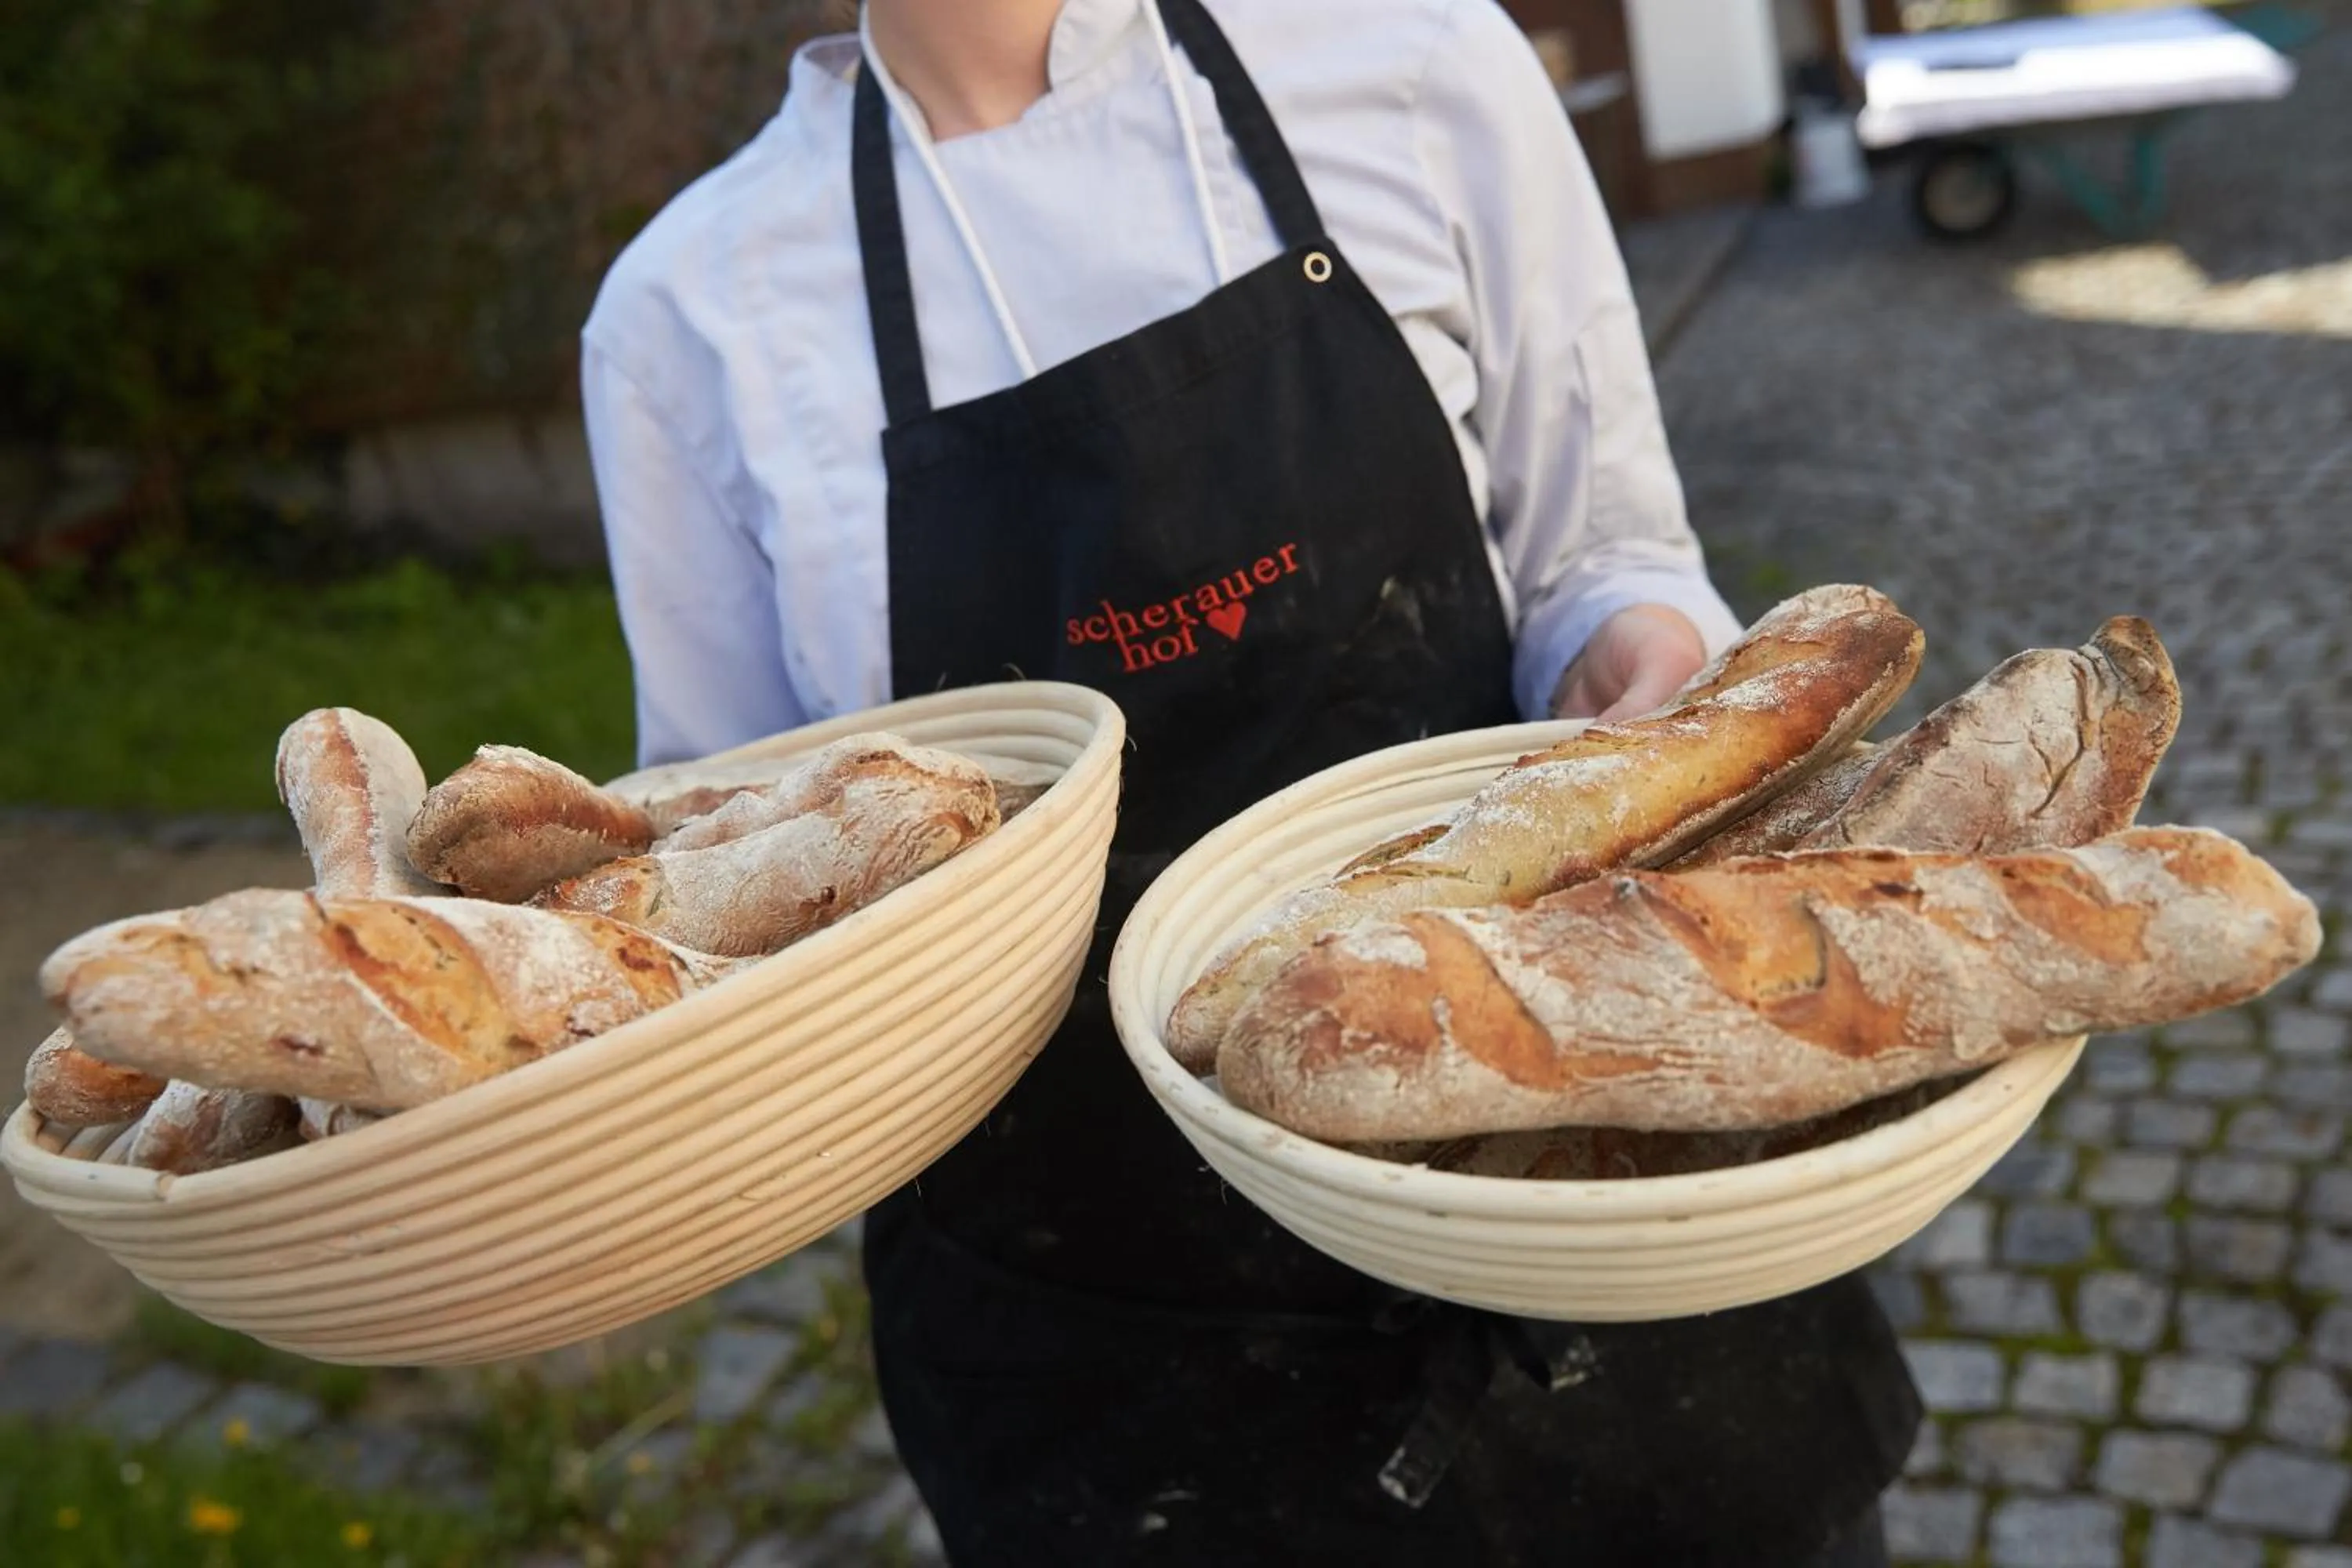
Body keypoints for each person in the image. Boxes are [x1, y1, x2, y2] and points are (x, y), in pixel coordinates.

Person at [580, 2, 1922, 1563]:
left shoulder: (1414, 67)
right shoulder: (692, 318)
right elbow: (716, 875)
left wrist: (1634, 646)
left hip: (1595, 1212)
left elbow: (1603, 547)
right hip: (1113, 1357)